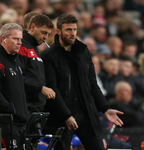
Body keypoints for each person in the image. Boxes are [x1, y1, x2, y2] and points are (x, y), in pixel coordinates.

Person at [40, 13, 123, 150]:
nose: (72, 33)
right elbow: (52, 89)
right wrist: (66, 115)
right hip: (62, 116)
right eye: (68, 30)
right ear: (58, 31)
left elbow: (92, 83)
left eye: (74, 29)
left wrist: (105, 108)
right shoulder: (48, 56)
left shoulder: (83, 51)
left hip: (86, 113)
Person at [0, 23, 28, 150]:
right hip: (6, 123)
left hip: (20, 124)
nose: (19, 42)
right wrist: (12, 110)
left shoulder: (16, 62)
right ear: (4, 39)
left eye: (20, 39)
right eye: (15, 39)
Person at [18, 14, 55, 114]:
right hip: (25, 107)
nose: (45, 37)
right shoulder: (21, 46)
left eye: (48, 34)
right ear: (33, 27)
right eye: (44, 32)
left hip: (36, 107)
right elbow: (17, 76)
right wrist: (40, 88)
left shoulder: (35, 47)